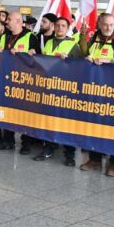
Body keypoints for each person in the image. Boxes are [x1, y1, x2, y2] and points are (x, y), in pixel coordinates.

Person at [81, 13, 114, 174]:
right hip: (96, 90)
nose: (108, 28)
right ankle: (95, 159)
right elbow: (83, 53)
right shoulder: (94, 38)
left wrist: (110, 62)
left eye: (111, 24)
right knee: (95, 125)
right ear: (99, 25)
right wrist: (87, 57)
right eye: (105, 25)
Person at [35, 17, 83, 163]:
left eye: (63, 26)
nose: (60, 28)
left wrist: (68, 61)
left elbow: (80, 68)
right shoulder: (48, 42)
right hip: (49, 88)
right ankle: (48, 148)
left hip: (65, 89)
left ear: (68, 28)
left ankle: (70, 155)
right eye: (58, 25)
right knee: (48, 120)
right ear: (54, 27)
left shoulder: (73, 45)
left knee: (66, 122)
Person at [0, 11, 40, 152]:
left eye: (9, 19)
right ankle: (8, 141)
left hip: (24, 82)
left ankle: (26, 144)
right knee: (7, 112)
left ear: (19, 21)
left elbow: (40, 59)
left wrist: (32, 54)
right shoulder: (5, 36)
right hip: (6, 79)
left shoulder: (31, 37)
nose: (6, 22)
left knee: (24, 113)